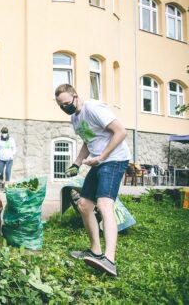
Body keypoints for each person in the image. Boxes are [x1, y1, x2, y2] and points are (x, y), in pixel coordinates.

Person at [55, 84, 130, 277]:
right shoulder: (75, 118)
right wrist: (77, 163)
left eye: (66, 103)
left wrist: (102, 156)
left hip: (113, 160)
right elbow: (89, 141)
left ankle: (109, 260)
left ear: (75, 97)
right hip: (98, 161)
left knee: (105, 205)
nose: (64, 108)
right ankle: (95, 251)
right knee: (84, 205)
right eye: (60, 106)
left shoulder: (94, 109)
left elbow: (121, 132)